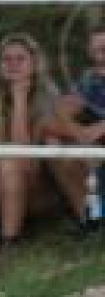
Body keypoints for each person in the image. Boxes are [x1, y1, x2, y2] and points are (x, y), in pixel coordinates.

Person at [0, 34, 89, 263]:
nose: (13, 65)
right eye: (7, 59)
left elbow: (24, 153)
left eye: (20, 59)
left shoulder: (47, 93)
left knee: (9, 162)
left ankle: (10, 243)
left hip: (34, 177)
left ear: (34, 62)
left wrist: (19, 99)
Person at [56, 25, 105, 236]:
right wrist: (79, 132)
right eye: (96, 49)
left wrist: (99, 128)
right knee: (55, 143)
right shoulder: (89, 79)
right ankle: (92, 218)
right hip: (96, 144)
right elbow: (59, 113)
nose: (101, 55)